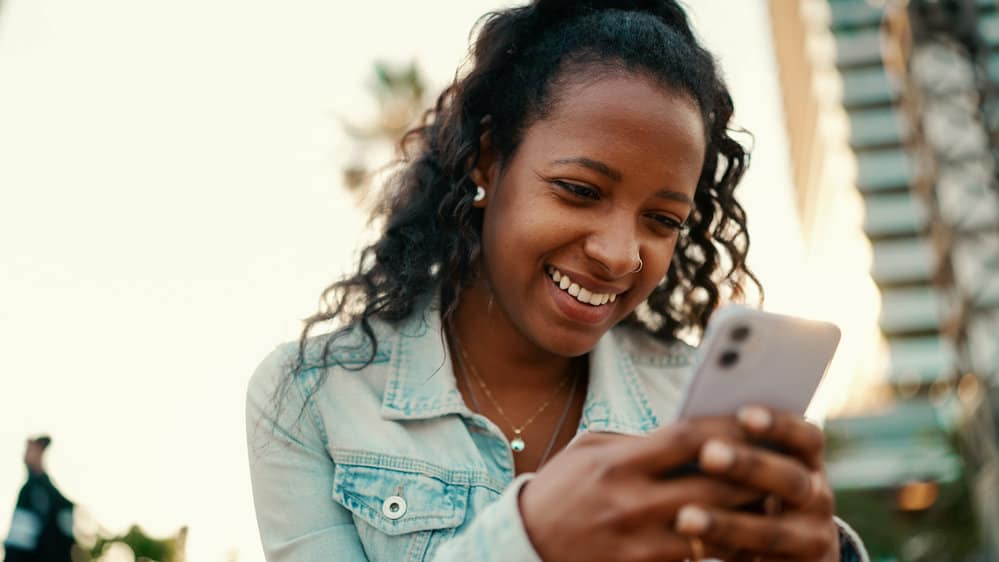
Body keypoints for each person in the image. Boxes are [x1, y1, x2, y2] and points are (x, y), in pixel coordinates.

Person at [246, 1, 870, 560]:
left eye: (662, 219)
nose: (621, 255)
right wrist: (530, 539)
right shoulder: (311, 397)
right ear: (488, 161)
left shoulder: (692, 411)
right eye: (579, 190)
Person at [3, 436, 74, 562]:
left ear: (40, 451)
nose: (24, 455)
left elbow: (20, 542)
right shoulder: (38, 490)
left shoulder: (36, 492)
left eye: (29, 450)